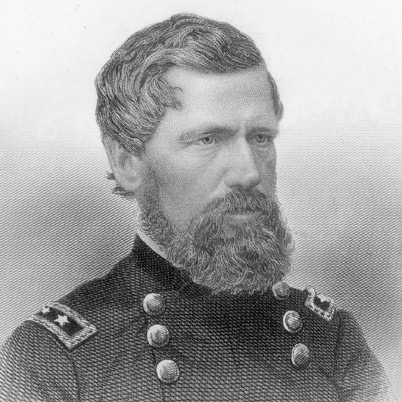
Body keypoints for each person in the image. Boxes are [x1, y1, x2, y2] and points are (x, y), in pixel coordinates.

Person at [0, 13, 394, 402]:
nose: (248, 173)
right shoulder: (50, 358)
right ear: (127, 162)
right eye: (207, 140)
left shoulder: (330, 337)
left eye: (261, 137)